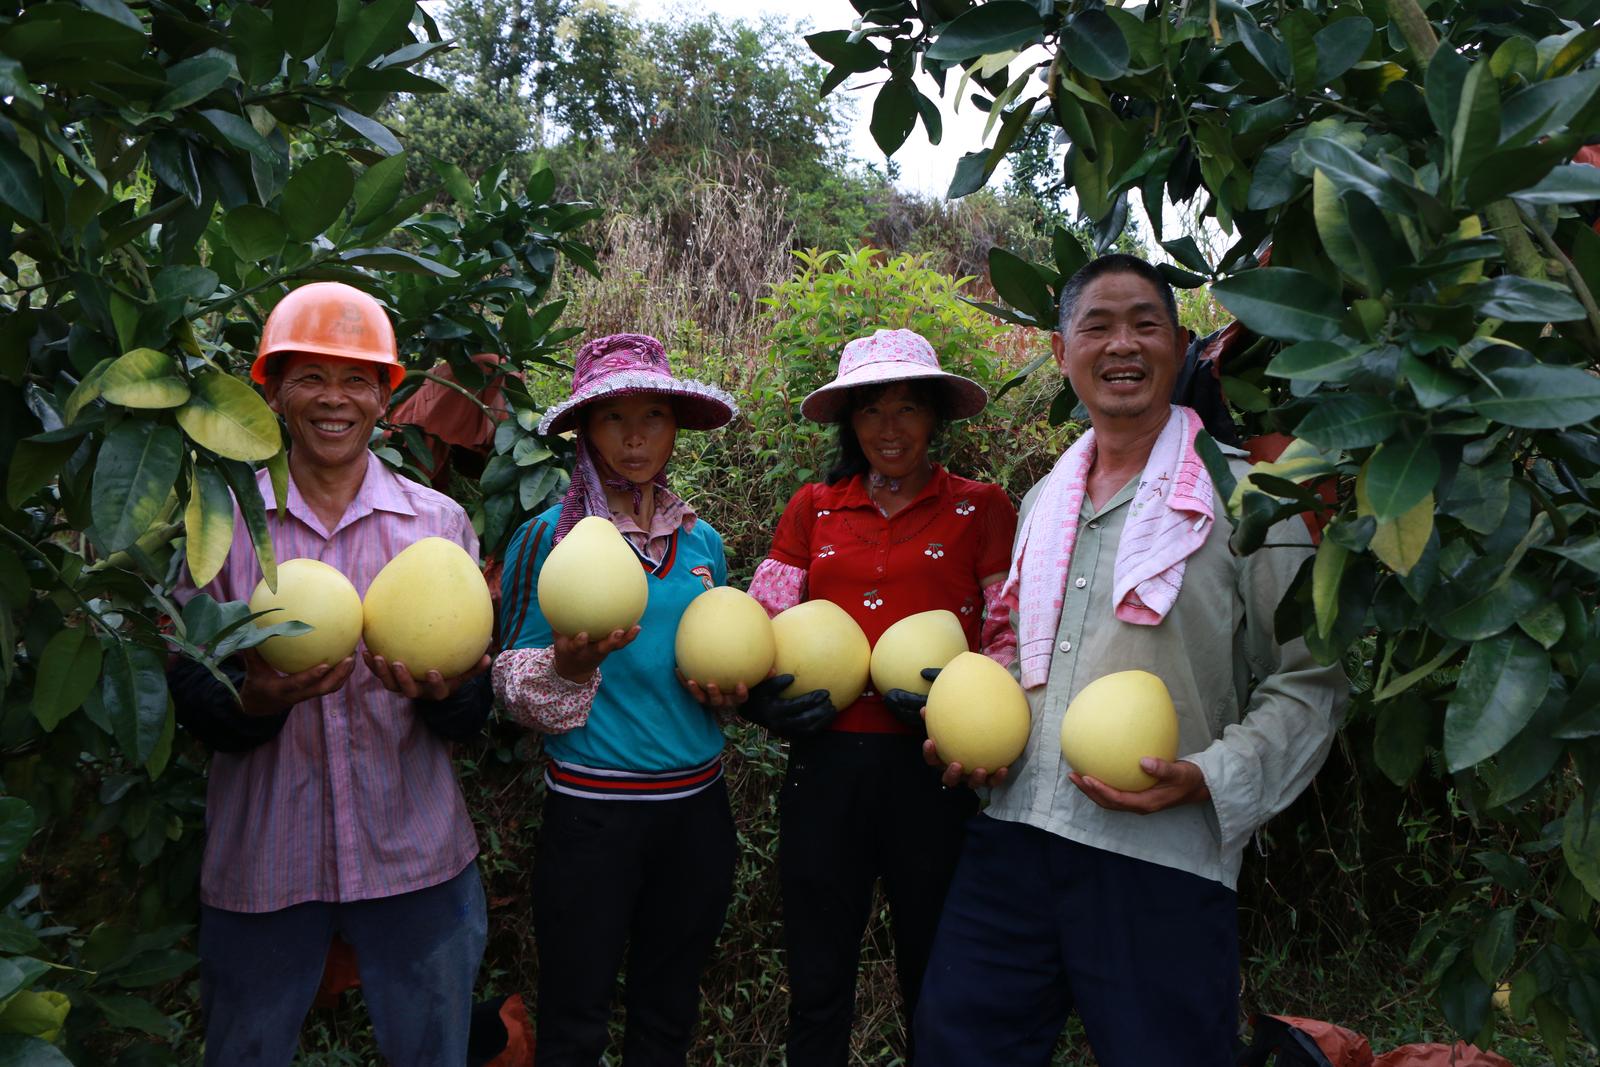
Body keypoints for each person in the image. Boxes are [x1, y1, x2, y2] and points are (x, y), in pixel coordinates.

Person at [912, 254, 1349, 1066]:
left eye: (1145, 324)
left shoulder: (1252, 500)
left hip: (1163, 859)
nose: (1123, 345)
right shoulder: (1045, 498)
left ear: (1179, 345)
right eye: (1098, 326)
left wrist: (1214, 775)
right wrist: (974, 730)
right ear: (1059, 350)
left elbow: (1310, 678)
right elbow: (1015, 653)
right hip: (1012, 837)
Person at [166, 281, 493, 1067]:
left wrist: (448, 696)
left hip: (413, 852)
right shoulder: (223, 521)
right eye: (309, 376)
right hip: (264, 857)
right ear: (272, 391)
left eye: (356, 379)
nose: (333, 399)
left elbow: (473, 697)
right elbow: (185, 680)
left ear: (385, 396)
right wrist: (253, 701)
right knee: (244, 1049)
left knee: (433, 1050)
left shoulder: (437, 524)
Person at [741, 328, 1019, 1065]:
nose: (888, 429)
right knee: (818, 976)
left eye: (907, 408)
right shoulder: (814, 508)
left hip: (934, 771)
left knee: (937, 974)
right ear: (849, 422)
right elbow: (758, 623)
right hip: (824, 766)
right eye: (870, 411)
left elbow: (1007, 636)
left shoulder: (981, 508)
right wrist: (760, 702)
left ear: (935, 418)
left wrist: (976, 702)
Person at [493, 333, 741, 1066]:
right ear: (584, 431)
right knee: (577, 1012)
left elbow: (717, 658)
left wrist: (733, 690)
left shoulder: (704, 545)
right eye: (613, 418)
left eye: (654, 415)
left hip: (697, 813)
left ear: (675, 428)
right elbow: (510, 682)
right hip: (592, 816)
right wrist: (567, 667)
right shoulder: (549, 539)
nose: (635, 437)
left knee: (668, 1010)